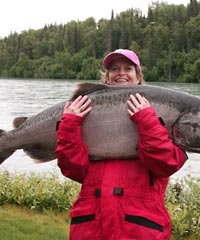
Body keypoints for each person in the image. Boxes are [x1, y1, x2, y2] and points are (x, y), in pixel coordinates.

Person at [55, 49, 187, 239]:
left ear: (138, 76)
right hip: (91, 230)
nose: (121, 73)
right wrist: (69, 124)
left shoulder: (162, 111)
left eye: (128, 68)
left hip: (139, 231)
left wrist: (146, 120)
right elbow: (73, 169)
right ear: (107, 77)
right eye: (114, 68)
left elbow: (166, 164)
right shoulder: (83, 109)